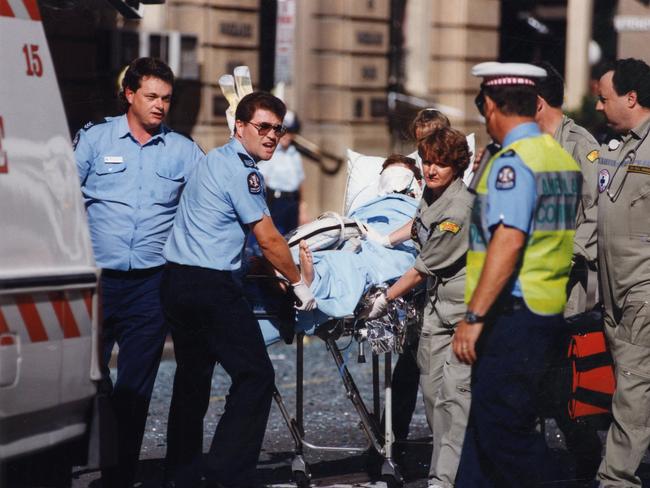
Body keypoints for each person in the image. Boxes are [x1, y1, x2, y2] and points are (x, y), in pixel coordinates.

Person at [161, 91, 316, 487]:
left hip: (178, 281)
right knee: (254, 376)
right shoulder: (244, 171)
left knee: (193, 379)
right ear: (240, 127)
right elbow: (269, 240)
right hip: (210, 287)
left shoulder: (213, 159)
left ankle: (181, 473)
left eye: (276, 129)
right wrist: (299, 284)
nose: (270, 136)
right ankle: (227, 474)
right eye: (262, 127)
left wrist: (269, 269)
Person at [73, 57, 205, 488]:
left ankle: (119, 476)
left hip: (150, 285)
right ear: (129, 94)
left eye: (166, 98)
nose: (160, 106)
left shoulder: (183, 151)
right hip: (94, 282)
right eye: (151, 96)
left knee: (137, 389)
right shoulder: (94, 141)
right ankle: (81, 455)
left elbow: (212, 201)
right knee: (87, 377)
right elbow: (63, 199)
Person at [452, 62, 581, 487]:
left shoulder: (513, 163)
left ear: (491, 105)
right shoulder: (557, 157)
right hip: (544, 308)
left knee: (505, 433)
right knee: (485, 434)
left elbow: (507, 244)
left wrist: (473, 318)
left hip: (511, 311)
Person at [363, 127, 474, 488]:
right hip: (434, 309)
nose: (431, 169)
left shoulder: (459, 208)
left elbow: (422, 267)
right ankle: (446, 470)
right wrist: (380, 237)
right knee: (431, 394)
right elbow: (417, 227)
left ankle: (445, 478)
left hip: (459, 312)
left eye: (440, 163)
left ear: (456, 166)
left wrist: (385, 299)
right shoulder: (430, 195)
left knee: (453, 399)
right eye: (426, 161)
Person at [534, 61, 603, 485]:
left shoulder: (581, 144)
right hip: (526, 282)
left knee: (564, 381)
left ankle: (585, 454)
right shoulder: (521, 144)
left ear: (537, 101)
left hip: (567, 285)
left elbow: (597, 212)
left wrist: (569, 255)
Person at [594, 58, 650, 488]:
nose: (598, 107)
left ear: (632, 98)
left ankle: (616, 480)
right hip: (612, 295)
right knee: (631, 389)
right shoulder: (613, 146)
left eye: (604, 98)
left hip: (642, 294)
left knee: (631, 391)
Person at [257, 110, 306, 234]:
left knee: (292, 237)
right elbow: (263, 180)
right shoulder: (271, 152)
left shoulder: (294, 154)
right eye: (283, 132)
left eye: (290, 133)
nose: (286, 136)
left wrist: (302, 207)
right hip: (275, 202)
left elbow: (300, 182)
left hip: (292, 202)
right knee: (277, 236)